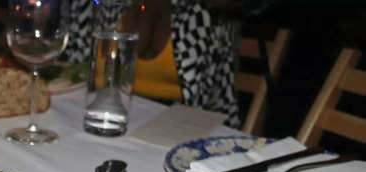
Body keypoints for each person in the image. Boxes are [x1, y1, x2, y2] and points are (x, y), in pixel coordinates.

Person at [65, 0, 245, 128]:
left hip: (179, 126)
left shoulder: (202, 12)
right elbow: (69, 70)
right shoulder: (94, 5)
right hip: (104, 114)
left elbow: (215, 104)